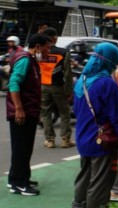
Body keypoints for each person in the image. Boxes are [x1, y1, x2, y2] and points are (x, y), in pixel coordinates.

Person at [72, 42, 118, 208]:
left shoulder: (82, 79)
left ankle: (78, 204)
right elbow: (117, 118)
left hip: (82, 136)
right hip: (101, 139)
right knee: (100, 182)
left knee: (84, 175)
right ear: (110, 60)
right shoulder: (107, 83)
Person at [6, 34, 51, 196]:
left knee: (24, 148)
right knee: (21, 149)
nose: (48, 50)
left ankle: (19, 177)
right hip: (22, 113)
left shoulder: (30, 60)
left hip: (29, 111)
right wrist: (19, 108)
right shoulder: (25, 60)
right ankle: (18, 183)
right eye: (47, 47)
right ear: (38, 46)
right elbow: (13, 83)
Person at [39, 27, 74, 148]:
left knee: (46, 113)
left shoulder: (40, 52)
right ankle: (65, 139)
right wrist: (69, 91)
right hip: (57, 87)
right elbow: (67, 73)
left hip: (43, 86)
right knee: (64, 112)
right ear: (54, 38)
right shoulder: (63, 52)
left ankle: (50, 140)